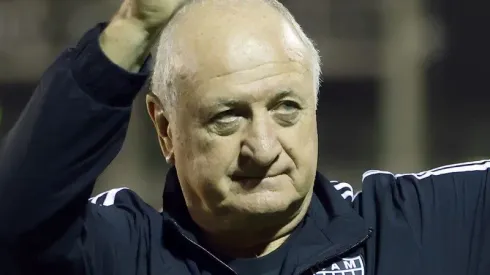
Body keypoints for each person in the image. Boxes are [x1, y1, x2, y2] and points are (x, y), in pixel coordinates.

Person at [0, 0, 489, 274]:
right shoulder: (122, 254)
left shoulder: (422, 231)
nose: (264, 146)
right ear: (166, 129)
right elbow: (17, 217)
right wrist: (134, 28)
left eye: (286, 109)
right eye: (228, 117)